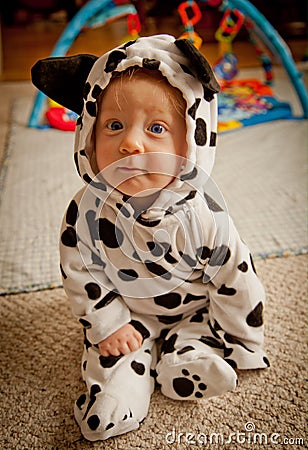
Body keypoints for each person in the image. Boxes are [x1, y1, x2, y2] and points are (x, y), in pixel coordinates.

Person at [31, 34, 269, 442]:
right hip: (127, 311)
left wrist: (244, 341)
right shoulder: (87, 210)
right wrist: (108, 322)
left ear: (191, 140)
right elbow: (79, 272)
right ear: (88, 133)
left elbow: (236, 279)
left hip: (193, 309)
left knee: (200, 334)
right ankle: (115, 400)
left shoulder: (206, 215)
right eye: (114, 125)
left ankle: (188, 363)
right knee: (114, 354)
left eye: (156, 127)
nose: (130, 143)